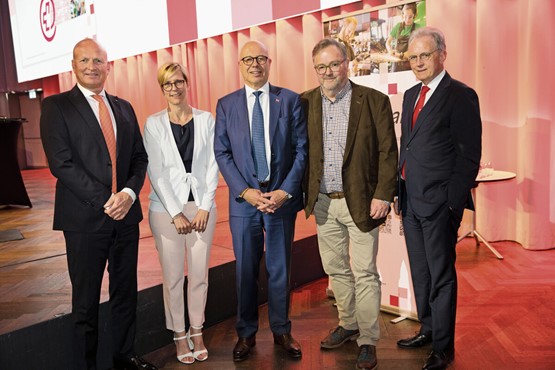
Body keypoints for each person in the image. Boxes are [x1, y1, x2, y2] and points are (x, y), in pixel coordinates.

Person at [40, 38, 156, 370]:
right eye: (85, 60)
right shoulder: (56, 106)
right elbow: (61, 164)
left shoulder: (124, 107)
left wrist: (129, 194)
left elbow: (139, 158)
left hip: (126, 217)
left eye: (98, 60)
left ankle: (124, 356)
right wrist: (108, 199)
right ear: (73, 66)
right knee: (85, 303)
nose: (92, 66)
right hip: (84, 222)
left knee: (126, 293)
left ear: (108, 66)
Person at [302, 38, 398, 370]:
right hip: (323, 204)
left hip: (361, 203)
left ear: (348, 62)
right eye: (321, 66)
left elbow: (388, 153)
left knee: (366, 273)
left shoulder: (373, 101)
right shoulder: (304, 103)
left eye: (334, 63)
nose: (328, 71)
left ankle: (368, 339)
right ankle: (348, 323)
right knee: (336, 270)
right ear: (315, 69)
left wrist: (383, 194)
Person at [214, 40, 307, 362]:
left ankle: (282, 331)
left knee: (280, 270)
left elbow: (301, 150)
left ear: (269, 62)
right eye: (248, 59)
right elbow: (222, 152)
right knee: (246, 271)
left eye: (260, 58)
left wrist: (284, 191)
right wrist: (245, 191)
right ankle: (246, 334)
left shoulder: (291, 100)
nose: (255, 64)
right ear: (239, 65)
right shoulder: (226, 105)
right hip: (245, 203)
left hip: (280, 200)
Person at [395, 27, 482, 370]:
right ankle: (428, 329)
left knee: (442, 276)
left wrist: (452, 204)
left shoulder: (461, 95)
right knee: (421, 274)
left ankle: (444, 348)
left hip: (439, 204)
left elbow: (468, 156)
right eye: (413, 57)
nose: (418, 62)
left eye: (424, 55)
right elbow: (408, 147)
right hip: (411, 202)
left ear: (442, 55)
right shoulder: (410, 94)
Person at [143, 63, 219, 365]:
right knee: (173, 277)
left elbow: (214, 163)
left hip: (202, 209)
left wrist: (203, 206)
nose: (174, 88)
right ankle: (178, 333)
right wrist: (176, 212)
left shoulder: (206, 119)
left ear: (187, 83)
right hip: (166, 211)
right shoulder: (153, 123)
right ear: (162, 89)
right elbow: (156, 171)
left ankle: (196, 330)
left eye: (178, 82)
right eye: (167, 84)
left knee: (199, 275)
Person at [386, 3, 421, 72]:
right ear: (402, 15)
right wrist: (390, 50)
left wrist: (402, 55)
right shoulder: (398, 26)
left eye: (410, 17)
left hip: (411, 64)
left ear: (414, 15)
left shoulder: (418, 28)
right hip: (397, 64)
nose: (407, 20)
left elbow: (418, 47)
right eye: (405, 16)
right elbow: (387, 42)